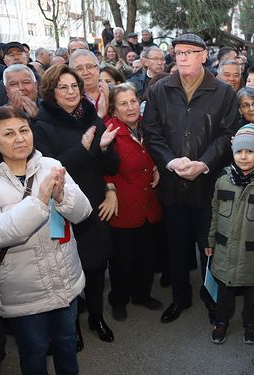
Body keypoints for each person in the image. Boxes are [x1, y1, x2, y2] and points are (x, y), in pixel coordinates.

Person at [0, 106, 92, 375]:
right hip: (24, 290)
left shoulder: (51, 165)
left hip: (64, 277)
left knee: (67, 344)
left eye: (24, 130)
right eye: (9, 133)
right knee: (34, 350)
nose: (20, 138)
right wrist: (39, 201)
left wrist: (62, 197)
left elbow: (83, 213)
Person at [142, 33, 237, 324]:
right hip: (172, 185)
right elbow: (152, 132)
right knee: (176, 246)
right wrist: (171, 161)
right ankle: (180, 298)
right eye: (178, 52)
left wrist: (203, 164)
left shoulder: (223, 92)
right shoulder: (160, 90)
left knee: (209, 247)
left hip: (208, 186)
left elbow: (227, 134)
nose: (182, 57)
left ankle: (211, 299)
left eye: (189, 52)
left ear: (204, 55)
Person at [32, 64, 120, 344]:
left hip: (93, 203)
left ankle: (96, 317)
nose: (71, 92)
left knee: (95, 266)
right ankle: (73, 329)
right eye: (63, 87)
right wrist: (85, 148)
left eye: (74, 86)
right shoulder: (42, 124)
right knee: (67, 269)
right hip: (61, 208)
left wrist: (103, 150)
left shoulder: (92, 116)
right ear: (51, 91)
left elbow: (112, 165)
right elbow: (54, 171)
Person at [205, 124, 254, 345]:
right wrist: (210, 241)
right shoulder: (222, 181)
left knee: (252, 294)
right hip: (224, 252)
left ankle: (250, 323)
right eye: (239, 151)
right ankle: (221, 321)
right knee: (224, 292)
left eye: (250, 151)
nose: (243, 157)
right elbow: (214, 213)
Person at [103, 83, 163, 321]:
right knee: (122, 260)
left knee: (147, 256)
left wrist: (157, 164)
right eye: (123, 103)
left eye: (133, 101)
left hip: (150, 204)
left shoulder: (148, 126)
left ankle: (142, 295)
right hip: (123, 207)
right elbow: (102, 166)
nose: (130, 108)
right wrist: (109, 188)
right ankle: (118, 300)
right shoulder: (109, 132)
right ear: (113, 109)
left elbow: (158, 151)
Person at [69, 49, 109, 117]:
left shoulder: (113, 93)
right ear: (72, 73)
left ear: (98, 69)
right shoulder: (69, 99)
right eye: (79, 69)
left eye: (90, 67)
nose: (86, 72)